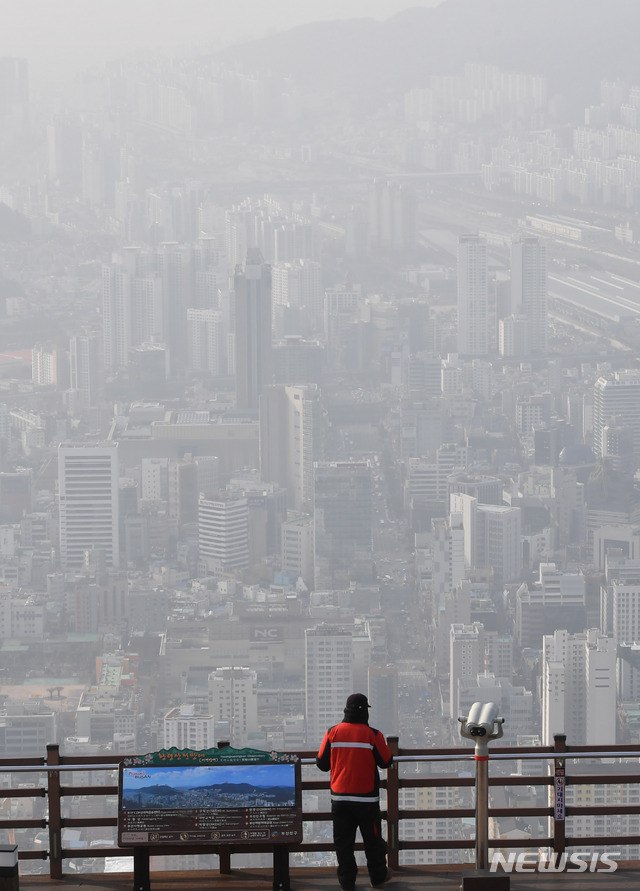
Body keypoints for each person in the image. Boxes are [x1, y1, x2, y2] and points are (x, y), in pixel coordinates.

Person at [316, 693, 393, 890]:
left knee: (343, 843)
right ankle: (377, 877)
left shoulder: (332, 732)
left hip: (340, 799)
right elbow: (386, 761)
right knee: (373, 841)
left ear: (346, 710)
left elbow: (322, 764)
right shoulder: (373, 735)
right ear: (365, 711)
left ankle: (347, 882)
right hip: (366, 800)